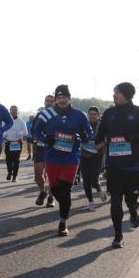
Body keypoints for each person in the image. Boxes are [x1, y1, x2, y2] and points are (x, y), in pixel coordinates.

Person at [94, 82, 139, 248]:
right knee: (115, 201)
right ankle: (118, 236)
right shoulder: (109, 113)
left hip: (134, 164)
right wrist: (100, 141)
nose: (114, 95)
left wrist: (135, 137)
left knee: (131, 199)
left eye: (117, 93)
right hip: (114, 164)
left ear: (127, 95)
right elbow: (99, 135)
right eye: (114, 92)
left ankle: (133, 210)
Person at [34, 85, 93, 236]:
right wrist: (46, 139)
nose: (61, 100)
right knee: (55, 189)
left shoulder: (79, 114)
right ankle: (65, 207)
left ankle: (63, 222)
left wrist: (84, 136)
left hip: (71, 158)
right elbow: (36, 131)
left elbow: (89, 133)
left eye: (64, 97)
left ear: (69, 98)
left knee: (65, 190)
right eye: (58, 98)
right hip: (52, 157)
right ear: (55, 99)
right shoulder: (47, 113)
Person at [30, 95, 57, 206]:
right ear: (44, 102)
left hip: (53, 146)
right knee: (37, 174)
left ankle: (51, 198)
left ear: (55, 102)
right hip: (40, 147)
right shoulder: (39, 114)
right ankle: (42, 192)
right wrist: (34, 138)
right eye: (47, 101)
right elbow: (34, 130)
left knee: (52, 175)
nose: (49, 102)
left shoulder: (57, 115)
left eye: (51, 101)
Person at [79, 106, 107, 211]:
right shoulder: (83, 125)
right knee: (86, 180)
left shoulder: (103, 126)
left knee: (94, 180)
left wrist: (101, 144)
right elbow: (77, 136)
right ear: (87, 115)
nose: (92, 116)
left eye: (95, 114)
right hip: (84, 154)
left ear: (98, 116)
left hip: (97, 155)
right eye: (90, 114)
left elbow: (108, 138)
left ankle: (100, 190)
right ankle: (91, 203)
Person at [2, 105, 27, 182]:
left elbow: (25, 132)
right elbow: (1, 130)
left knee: (16, 160)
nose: (13, 111)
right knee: (8, 159)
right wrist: (4, 134)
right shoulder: (5, 121)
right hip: (8, 142)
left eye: (15, 110)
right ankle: (9, 172)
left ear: (17, 112)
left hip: (17, 143)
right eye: (12, 110)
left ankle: (14, 176)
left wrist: (19, 134)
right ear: (10, 111)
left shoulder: (21, 121)